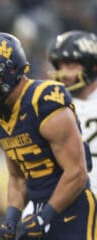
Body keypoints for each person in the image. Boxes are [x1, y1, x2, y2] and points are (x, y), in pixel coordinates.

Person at [0, 32, 96, 239]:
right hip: (38, 208)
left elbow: (77, 173)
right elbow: (18, 178)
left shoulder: (43, 101)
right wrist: (11, 218)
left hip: (71, 207)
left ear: (11, 70)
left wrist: (46, 216)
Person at [48, 30, 97, 192]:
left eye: (70, 65)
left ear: (92, 66)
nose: (63, 73)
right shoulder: (50, 105)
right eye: (59, 66)